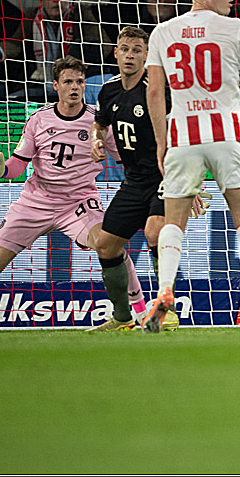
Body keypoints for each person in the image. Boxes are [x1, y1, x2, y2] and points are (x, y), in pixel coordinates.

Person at [144, 0, 240, 333]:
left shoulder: (163, 31)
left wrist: (161, 141)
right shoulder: (234, 27)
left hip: (182, 135)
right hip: (224, 132)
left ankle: (163, 293)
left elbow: (155, 91)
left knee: (173, 221)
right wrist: (229, 108)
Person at [0, 56, 132, 331]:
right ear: (56, 85)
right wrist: (2, 170)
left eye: (79, 81)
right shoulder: (38, 119)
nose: (75, 87)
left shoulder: (99, 123)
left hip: (78, 202)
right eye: (68, 81)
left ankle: (134, 315)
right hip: (35, 201)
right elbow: (18, 164)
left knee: (110, 246)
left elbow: (124, 158)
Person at [88, 26, 196, 331]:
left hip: (165, 175)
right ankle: (122, 317)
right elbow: (100, 124)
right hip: (133, 180)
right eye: (125, 49)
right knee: (107, 245)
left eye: (137, 50)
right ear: (116, 53)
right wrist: (97, 140)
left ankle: (166, 309)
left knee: (155, 232)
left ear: (147, 55)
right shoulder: (108, 90)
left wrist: (189, 181)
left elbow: (181, 131)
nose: (130, 55)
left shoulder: (158, 89)